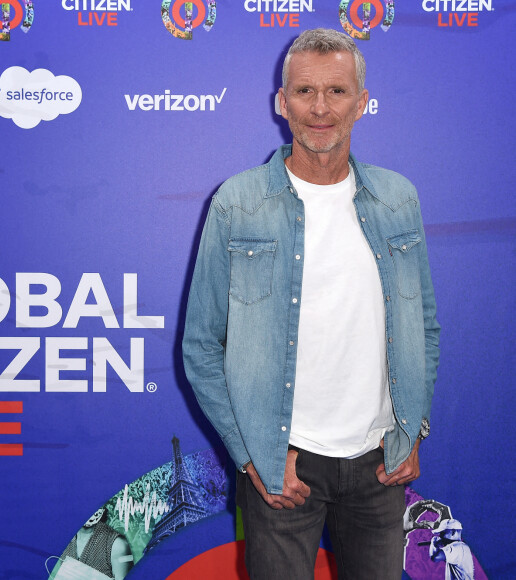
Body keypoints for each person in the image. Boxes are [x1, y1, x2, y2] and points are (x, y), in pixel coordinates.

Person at [182, 28, 440, 580]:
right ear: (282, 102)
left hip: (379, 468)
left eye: (337, 92)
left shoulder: (398, 199)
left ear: (361, 104)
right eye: (304, 91)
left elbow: (424, 325)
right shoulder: (238, 203)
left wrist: (411, 428)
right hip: (281, 470)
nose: (320, 108)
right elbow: (201, 345)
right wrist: (253, 456)